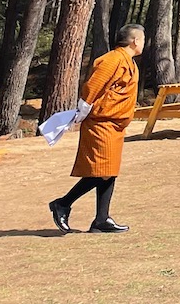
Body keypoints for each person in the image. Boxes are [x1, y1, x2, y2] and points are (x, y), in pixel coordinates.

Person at [48, 23, 144, 234]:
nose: (144, 44)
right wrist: (82, 112)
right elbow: (93, 86)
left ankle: (102, 219)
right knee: (103, 170)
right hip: (102, 123)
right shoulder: (113, 59)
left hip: (115, 125)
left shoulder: (129, 62)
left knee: (109, 171)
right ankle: (62, 204)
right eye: (143, 40)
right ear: (135, 41)